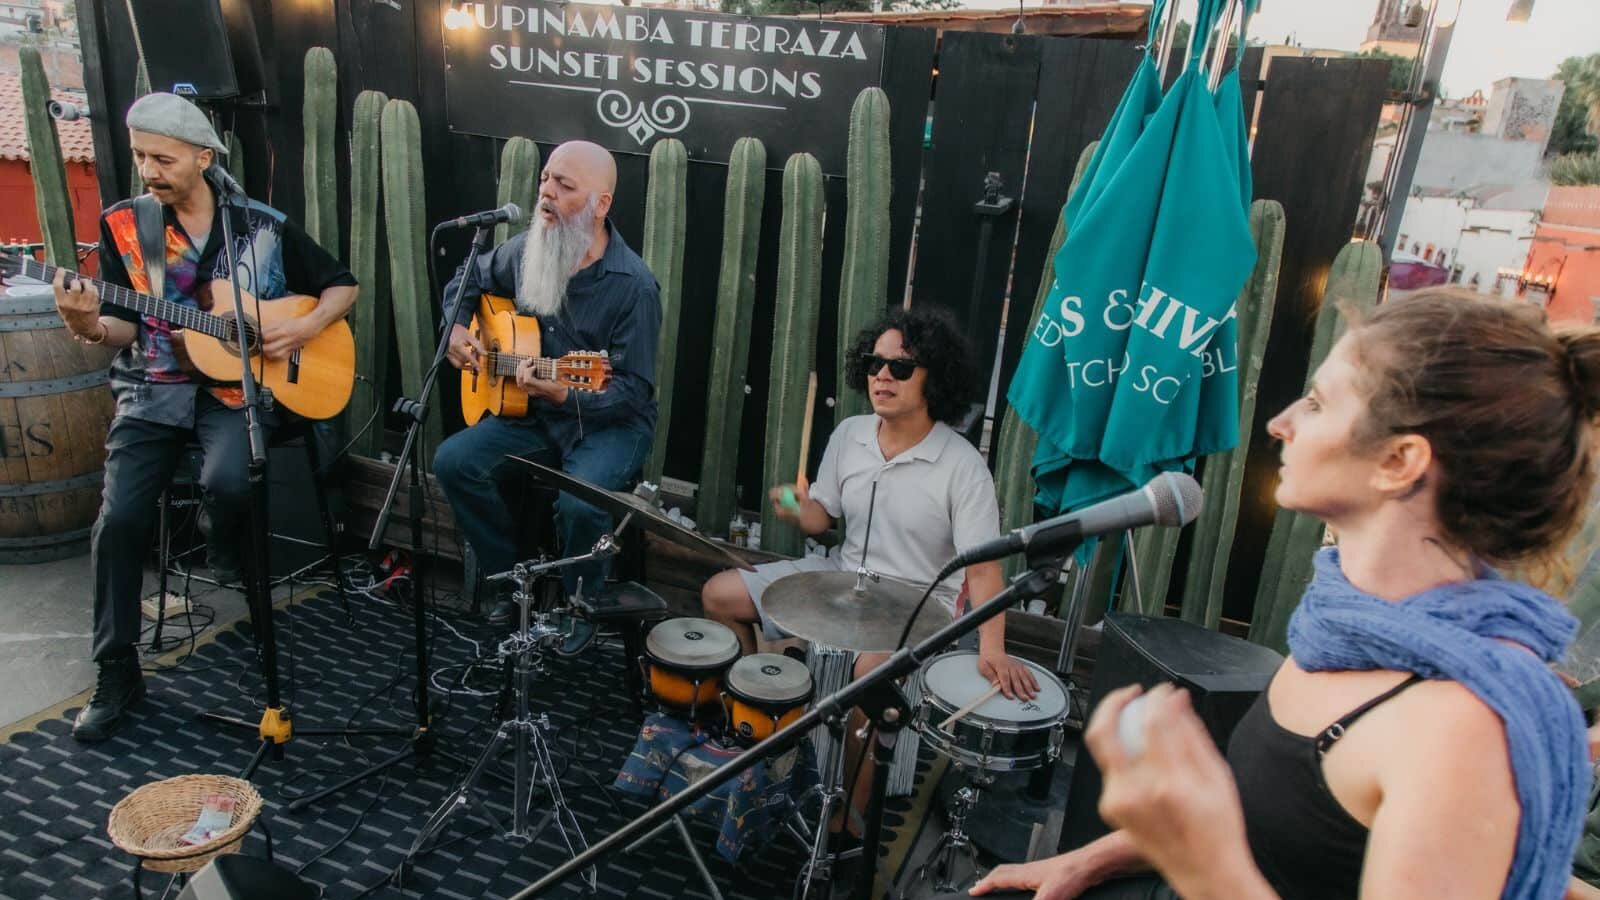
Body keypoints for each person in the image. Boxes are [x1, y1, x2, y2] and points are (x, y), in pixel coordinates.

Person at [958, 289, 1595, 900]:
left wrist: (1198, 856)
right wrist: (1093, 856)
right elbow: (1280, 823)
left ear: (1399, 460)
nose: (1281, 423)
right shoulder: (1344, 628)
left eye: (1317, 403)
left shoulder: (1459, 727)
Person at [56, 93, 358, 742]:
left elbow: (342, 284)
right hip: (151, 391)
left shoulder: (259, 224)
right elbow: (119, 326)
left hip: (234, 394)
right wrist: (85, 322)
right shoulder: (124, 227)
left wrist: (297, 327)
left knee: (230, 480)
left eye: (162, 158)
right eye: (140, 157)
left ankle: (236, 567)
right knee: (119, 521)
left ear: (204, 157)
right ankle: (117, 670)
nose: (148, 170)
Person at [702, 306, 1040, 844]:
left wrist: (992, 650)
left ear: (935, 379)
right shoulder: (851, 434)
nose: (882, 376)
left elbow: (983, 569)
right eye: (875, 364)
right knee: (718, 595)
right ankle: (768, 719)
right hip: (843, 576)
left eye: (900, 368)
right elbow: (824, 519)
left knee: (869, 677)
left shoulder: (962, 467)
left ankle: (849, 817)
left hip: (917, 602)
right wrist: (799, 505)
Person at [433, 141, 661, 626]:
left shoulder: (634, 285)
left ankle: (581, 608)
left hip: (611, 425)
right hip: (534, 414)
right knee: (453, 462)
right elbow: (468, 276)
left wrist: (566, 392)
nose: (546, 193)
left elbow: (632, 391)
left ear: (600, 205)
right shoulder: (524, 249)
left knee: (580, 505)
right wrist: (454, 327)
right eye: (545, 179)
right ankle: (513, 584)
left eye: (564, 185)